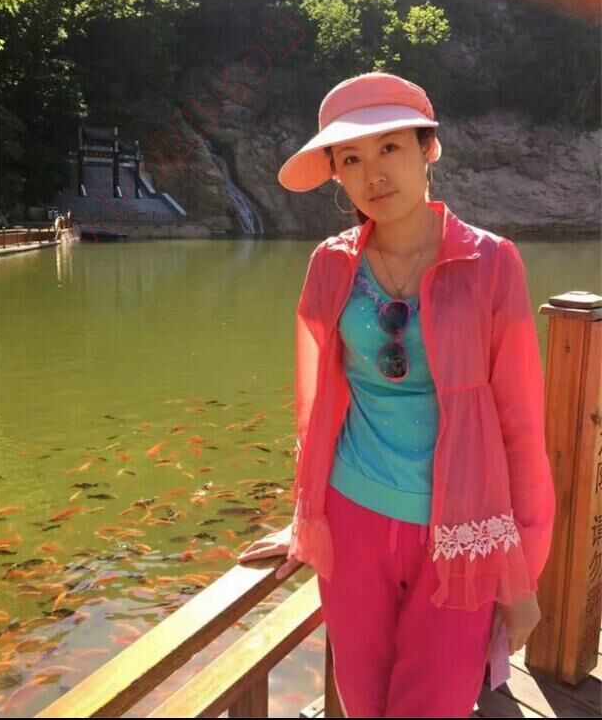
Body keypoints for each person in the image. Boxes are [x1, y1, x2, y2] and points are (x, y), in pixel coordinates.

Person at [236, 71, 556, 717]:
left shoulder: (492, 264)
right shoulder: (331, 264)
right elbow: (318, 406)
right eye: (351, 158)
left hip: (461, 532)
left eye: (389, 148)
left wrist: (522, 571)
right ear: (337, 175)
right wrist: (307, 513)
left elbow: (521, 427)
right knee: (362, 701)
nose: (373, 174)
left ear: (427, 149)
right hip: (352, 519)